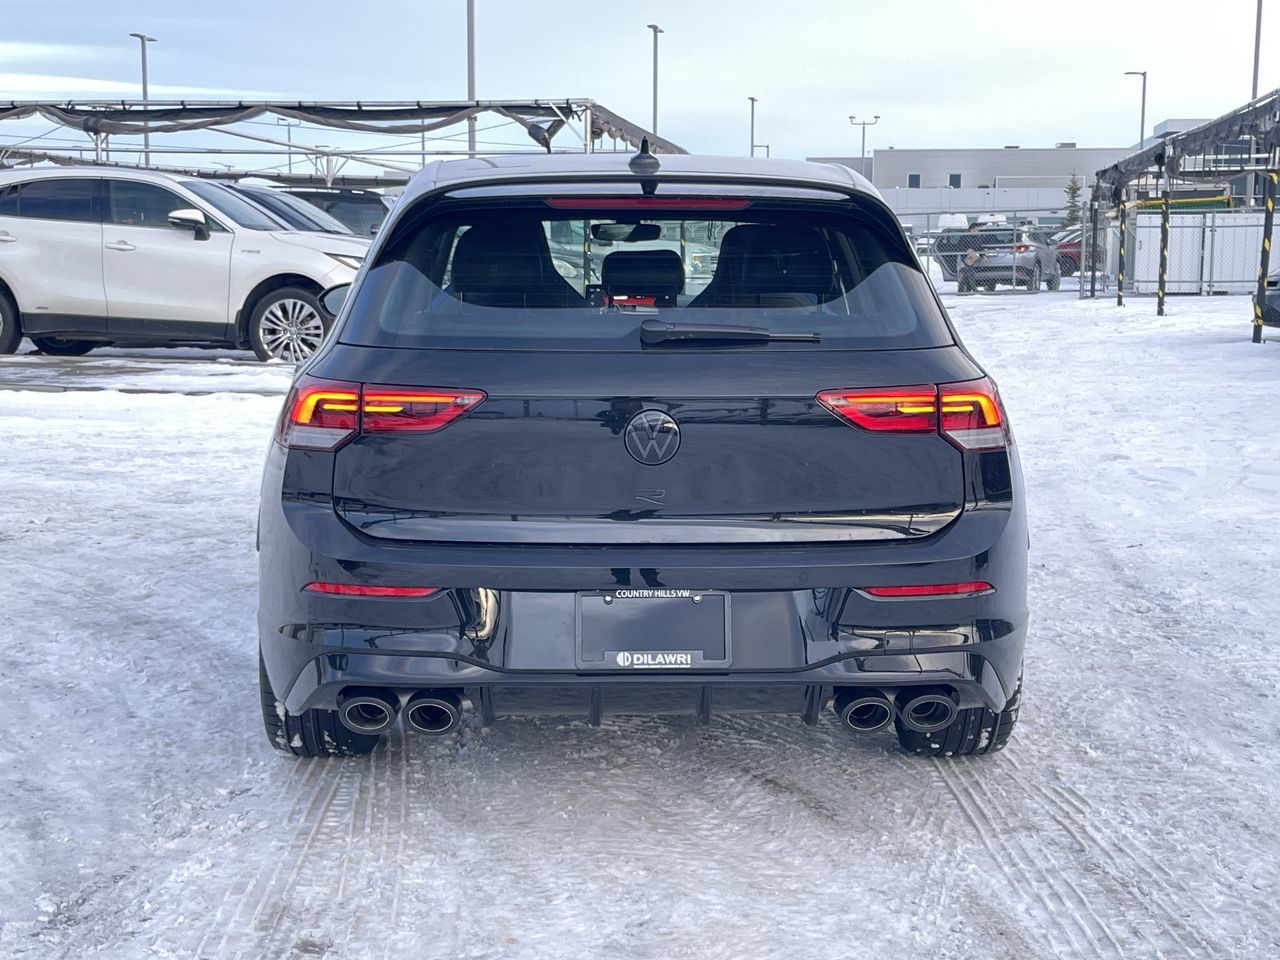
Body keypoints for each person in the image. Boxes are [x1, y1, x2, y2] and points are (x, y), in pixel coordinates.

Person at [957, 221, 983, 293]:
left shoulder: (977, 238)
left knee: (967, 272)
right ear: (972, 229)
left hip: (973, 258)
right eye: (977, 230)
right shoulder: (965, 236)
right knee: (969, 272)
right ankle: (971, 289)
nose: (978, 231)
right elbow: (959, 246)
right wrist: (967, 250)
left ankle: (964, 289)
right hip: (965, 258)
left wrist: (982, 255)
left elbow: (980, 248)